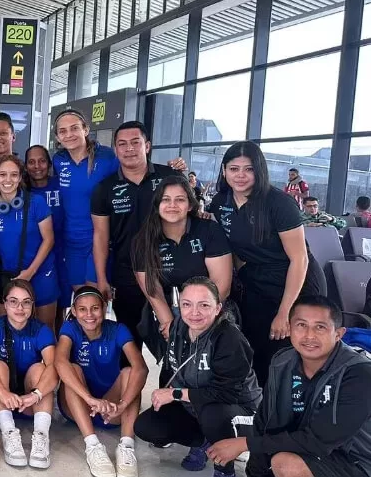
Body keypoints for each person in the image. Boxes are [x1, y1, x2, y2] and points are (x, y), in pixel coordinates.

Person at [221, 296, 371, 477]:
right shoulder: (282, 363)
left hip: (359, 464)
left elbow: (318, 441)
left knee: (285, 466)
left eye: (320, 327)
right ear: (289, 328)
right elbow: (263, 424)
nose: (309, 335)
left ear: (339, 334)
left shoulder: (358, 373)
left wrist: (245, 444)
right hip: (308, 457)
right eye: (301, 325)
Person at [135, 278, 262, 477]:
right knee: (147, 426)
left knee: (213, 413)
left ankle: (225, 474)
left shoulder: (229, 338)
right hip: (197, 404)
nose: (194, 313)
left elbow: (226, 394)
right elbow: (171, 367)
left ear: (218, 308)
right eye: (187, 304)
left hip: (240, 411)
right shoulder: (178, 328)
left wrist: (175, 395)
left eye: (204, 305)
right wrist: (164, 394)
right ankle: (205, 442)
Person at [207, 141, 324, 384]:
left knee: (287, 349)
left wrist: (285, 312)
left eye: (248, 169)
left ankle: (293, 413)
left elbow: (299, 258)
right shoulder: (220, 202)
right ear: (224, 170)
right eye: (233, 168)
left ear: (259, 170)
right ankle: (258, 411)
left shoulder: (278, 203)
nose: (240, 176)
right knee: (254, 347)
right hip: (256, 279)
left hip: (295, 280)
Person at [91, 121, 186, 343]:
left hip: (171, 270)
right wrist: (102, 278)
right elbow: (100, 236)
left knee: (177, 340)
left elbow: (192, 217)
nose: (129, 149)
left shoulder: (170, 178)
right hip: (127, 273)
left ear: (148, 146)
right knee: (128, 344)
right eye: (122, 144)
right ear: (115, 150)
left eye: (136, 142)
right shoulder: (104, 189)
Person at [132, 175, 232, 355]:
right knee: (174, 370)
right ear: (157, 205)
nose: (172, 205)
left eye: (180, 200)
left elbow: (221, 285)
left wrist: (198, 320)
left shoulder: (208, 230)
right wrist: (171, 325)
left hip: (212, 311)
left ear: (191, 205)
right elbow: (152, 289)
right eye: (165, 200)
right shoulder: (143, 240)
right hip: (170, 310)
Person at [56, 286, 147, 477]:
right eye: (82, 309)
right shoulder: (70, 328)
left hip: (111, 409)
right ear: (73, 311)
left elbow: (141, 368)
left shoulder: (117, 329)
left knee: (131, 374)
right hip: (78, 405)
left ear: (104, 307)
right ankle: (93, 445)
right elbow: (60, 362)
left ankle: (126, 446)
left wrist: (122, 405)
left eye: (95, 308)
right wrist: (89, 399)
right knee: (72, 368)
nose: (89, 315)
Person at [0, 279, 58, 469]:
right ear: (5, 304)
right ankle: (9, 432)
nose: (20, 308)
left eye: (26, 302)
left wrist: (35, 395)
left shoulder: (41, 330)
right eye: (13, 301)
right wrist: (2, 393)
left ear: (32, 305)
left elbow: (55, 368)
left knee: (41, 368)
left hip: (29, 403)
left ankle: (41, 436)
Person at [0, 155, 58, 325]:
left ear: (21, 177)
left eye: (14, 175)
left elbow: (49, 239)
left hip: (41, 274)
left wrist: (30, 272)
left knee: (45, 329)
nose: (8, 180)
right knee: (5, 329)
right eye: (2, 174)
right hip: (8, 276)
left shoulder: (36, 202)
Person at [52, 109, 119, 291]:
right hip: (71, 242)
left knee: (95, 298)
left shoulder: (107, 157)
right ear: (57, 137)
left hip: (99, 240)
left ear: (86, 130)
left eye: (74, 128)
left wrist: (170, 169)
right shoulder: (58, 160)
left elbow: (134, 175)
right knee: (81, 299)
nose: (69, 135)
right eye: (63, 131)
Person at [26, 144, 67, 308]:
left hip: (61, 253)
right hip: (35, 256)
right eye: (31, 162)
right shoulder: (23, 191)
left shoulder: (61, 185)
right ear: (25, 166)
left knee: (60, 305)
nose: (37, 166)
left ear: (49, 164)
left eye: (42, 161)